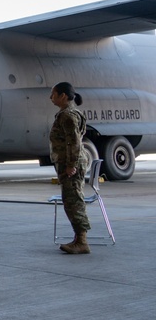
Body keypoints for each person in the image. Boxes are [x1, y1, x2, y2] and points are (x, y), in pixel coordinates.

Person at [49, 81, 91, 254]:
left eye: (53, 94)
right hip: (69, 162)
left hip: (71, 164)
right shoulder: (70, 113)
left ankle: (82, 242)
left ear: (63, 96)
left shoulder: (68, 115)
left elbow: (73, 141)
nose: (51, 97)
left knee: (73, 201)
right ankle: (78, 238)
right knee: (71, 200)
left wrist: (71, 165)